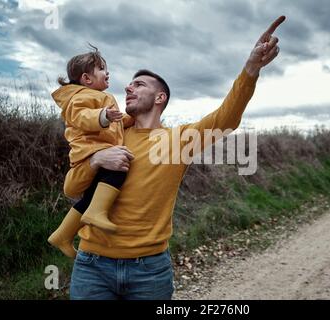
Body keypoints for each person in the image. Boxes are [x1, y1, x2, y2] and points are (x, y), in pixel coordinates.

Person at [64, 16, 286, 300]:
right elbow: (71, 188)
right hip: (92, 266)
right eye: (129, 85)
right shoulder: (109, 136)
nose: (128, 88)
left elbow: (226, 118)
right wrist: (97, 161)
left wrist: (251, 67)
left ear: (160, 98)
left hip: (149, 271)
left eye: (139, 84)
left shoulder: (179, 141)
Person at [48, 46, 134, 258]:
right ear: (86, 78)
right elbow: (82, 117)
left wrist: (134, 118)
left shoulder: (98, 97)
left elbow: (117, 122)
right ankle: (96, 212)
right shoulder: (80, 97)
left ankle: (63, 234)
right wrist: (103, 116)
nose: (107, 72)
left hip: (98, 148)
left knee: (92, 195)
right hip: (90, 150)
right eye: (102, 68)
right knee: (120, 164)